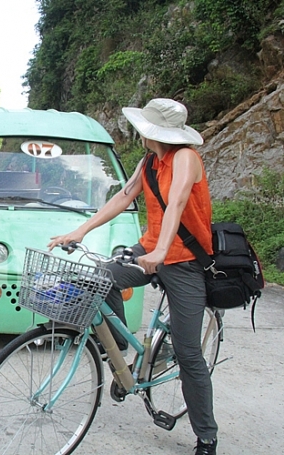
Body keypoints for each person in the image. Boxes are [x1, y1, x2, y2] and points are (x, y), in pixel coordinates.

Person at [47, 98, 218, 455]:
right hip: (150, 250)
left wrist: (161, 253)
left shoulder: (186, 158)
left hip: (185, 262)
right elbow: (122, 198)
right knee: (100, 276)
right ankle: (122, 352)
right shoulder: (150, 162)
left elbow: (177, 204)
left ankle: (206, 436)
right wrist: (80, 231)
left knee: (189, 355)